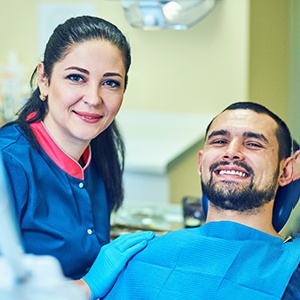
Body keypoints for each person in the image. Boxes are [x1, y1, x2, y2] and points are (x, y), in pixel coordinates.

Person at [0, 15, 155, 300]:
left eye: (110, 83)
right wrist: (86, 287)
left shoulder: (99, 156)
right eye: (76, 77)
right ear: (44, 80)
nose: (94, 98)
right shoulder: (8, 163)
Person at [104, 102, 300, 300]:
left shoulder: (293, 268)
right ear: (201, 162)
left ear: (286, 170)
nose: (231, 151)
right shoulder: (137, 255)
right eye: (219, 141)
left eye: (253, 144)